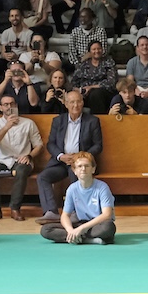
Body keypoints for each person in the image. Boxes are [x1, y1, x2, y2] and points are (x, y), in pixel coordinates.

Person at [35, 91, 103, 225]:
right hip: (61, 161)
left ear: (83, 103)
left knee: (76, 173)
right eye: (72, 102)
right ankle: (51, 212)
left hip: (80, 163)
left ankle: (75, 212)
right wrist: (61, 156)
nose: (76, 105)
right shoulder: (58, 120)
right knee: (42, 177)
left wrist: (80, 157)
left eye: (79, 101)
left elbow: (98, 145)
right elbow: (51, 143)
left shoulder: (92, 121)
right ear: (66, 104)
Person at [0, 95, 44, 221]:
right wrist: (6, 127)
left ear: (16, 105)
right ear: (0, 108)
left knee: (21, 171)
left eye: (12, 104)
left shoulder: (28, 123)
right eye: (6, 104)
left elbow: (39, 145)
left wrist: (29, 156)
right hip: (2, 159)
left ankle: (15, 209)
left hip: (23, 158)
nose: (9, 106)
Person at [39, 152, 116, 244]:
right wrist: (70, 230)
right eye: (79, 166)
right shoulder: (72, 189)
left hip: (96, 224)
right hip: (79, 223)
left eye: (87, 166)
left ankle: (77, 238)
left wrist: (82, 229)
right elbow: (65, 215)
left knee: (108, 228)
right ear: (74, 170)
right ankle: (88, 240)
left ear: (93, 169)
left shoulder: (102, 187)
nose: (83, 169)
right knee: (46, 229)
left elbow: (106, 215)